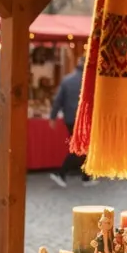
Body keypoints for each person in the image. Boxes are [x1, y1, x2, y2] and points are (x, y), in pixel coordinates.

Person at [48, 59, 95, 188]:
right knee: (80, 148)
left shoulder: (67, 80)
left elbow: (58, 100)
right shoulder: (90, 82)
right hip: (84, 119)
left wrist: (52, 116)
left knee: (82, 147)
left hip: (69, 118)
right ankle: (62, 173)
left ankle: (86, 177)